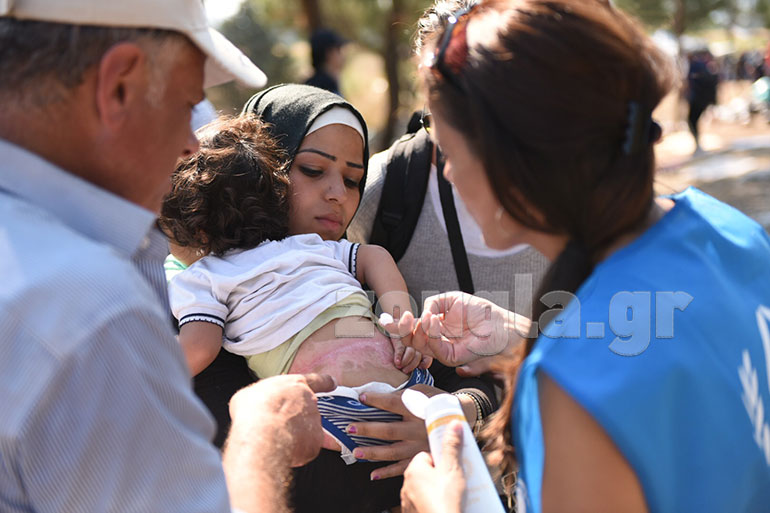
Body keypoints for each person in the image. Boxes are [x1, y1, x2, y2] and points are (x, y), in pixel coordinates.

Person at [396, 0, 770, 512]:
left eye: (450, 152)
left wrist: (443, 506)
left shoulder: (572, 391)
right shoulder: (729, 232)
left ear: (514, 162)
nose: (447, 174)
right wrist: (517, 334)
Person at [0, 1, 334, 511]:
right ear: (119, 86)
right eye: (185, 105)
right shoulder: (96, 315)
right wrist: (264, 432)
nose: (189, 145)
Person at [160, 113, 434, 459]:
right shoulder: (307, 246)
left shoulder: (200, 278)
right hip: (411, 384)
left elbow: (199, 347)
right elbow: (374, 256)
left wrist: (141, 366)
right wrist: (401, 320)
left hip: (333, 410)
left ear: (192, 229)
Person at [347, 0, 548, 364]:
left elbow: (625, 351)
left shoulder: (580, 203)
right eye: (436, 85)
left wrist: (513, 344)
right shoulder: (384, 187)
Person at [686, 49, 719, 153]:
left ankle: (697, 141)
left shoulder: (697, 66)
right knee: (693, 120)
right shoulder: (703, 66)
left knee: (692, 120)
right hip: (700, 99)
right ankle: (697, 141)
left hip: (698, 99)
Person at [304, 28, 348, 95]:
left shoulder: (327, 82)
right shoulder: (323, 88)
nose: (343, 53)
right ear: (329, 53)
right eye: (338, 49)